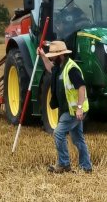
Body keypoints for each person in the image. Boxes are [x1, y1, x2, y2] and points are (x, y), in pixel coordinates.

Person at [37, 40, 93, 174]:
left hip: (74, 111)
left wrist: (79, 107)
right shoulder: (59, 66)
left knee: (58, 133)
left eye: (52, 56)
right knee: (78, 138)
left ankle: (64, 164)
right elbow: (50, 68)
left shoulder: (71, 68)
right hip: (67, 110)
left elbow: (82, 87)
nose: (51, 58)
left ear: (60, 55)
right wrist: (43, 56)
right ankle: (86, 167)